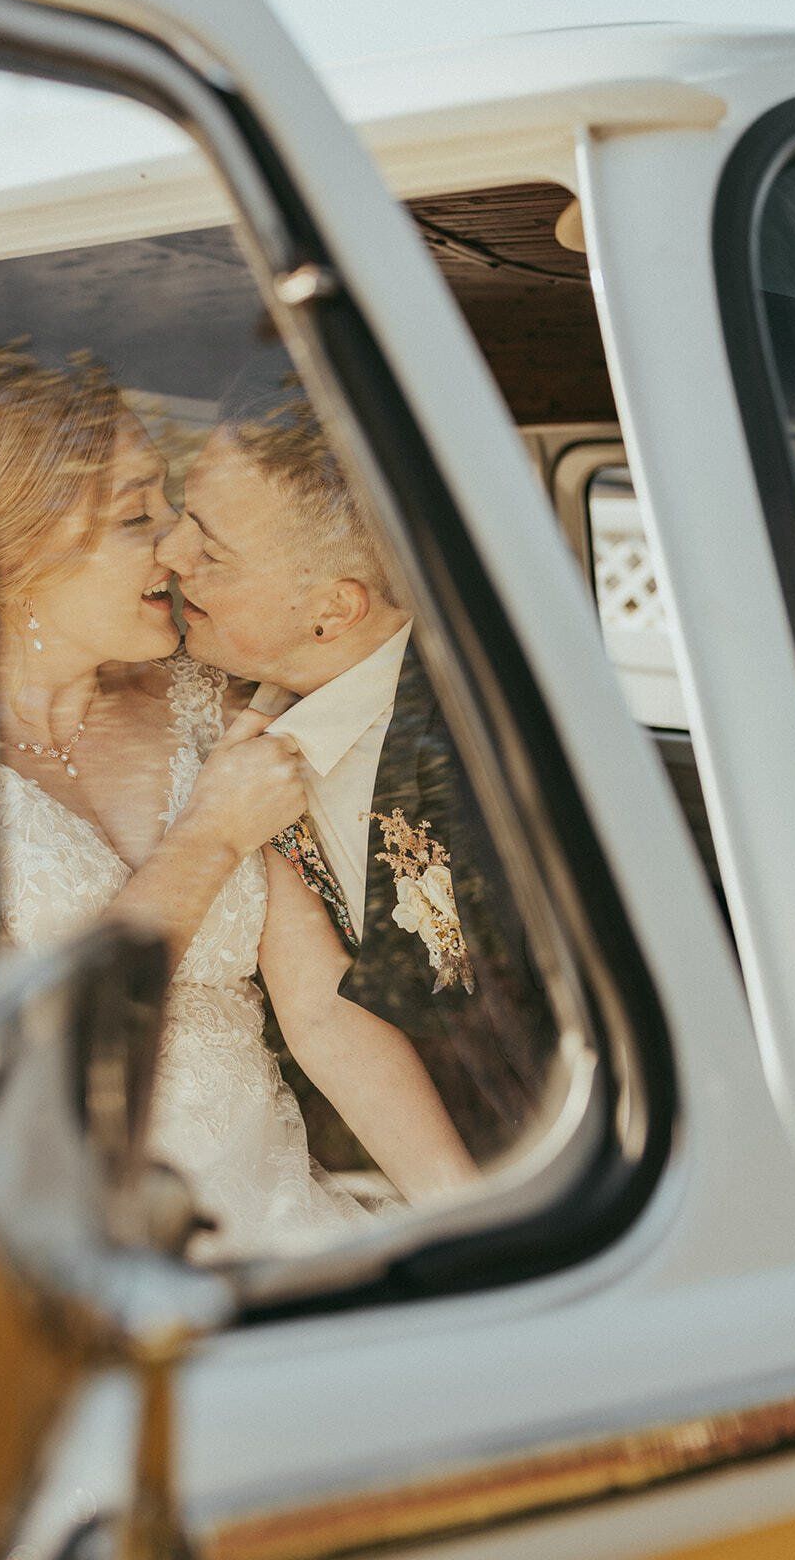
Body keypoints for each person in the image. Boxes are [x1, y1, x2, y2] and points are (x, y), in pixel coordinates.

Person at [0, 349, 474, 1259]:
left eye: (167, 499)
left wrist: (476, 1217)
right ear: (16, 557)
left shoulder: (209, 704)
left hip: (269, 1214)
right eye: (134, 514)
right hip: (37, 1248)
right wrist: (204, 839)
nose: (173, 543)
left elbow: (324, 1017)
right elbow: (1, 1078)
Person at [155, 369, 558, 1165]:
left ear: (332, 610)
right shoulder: (218, 692)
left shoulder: (484, 771)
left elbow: (511, 1056)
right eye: (178, 516)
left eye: (212, 548)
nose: (169, 554)